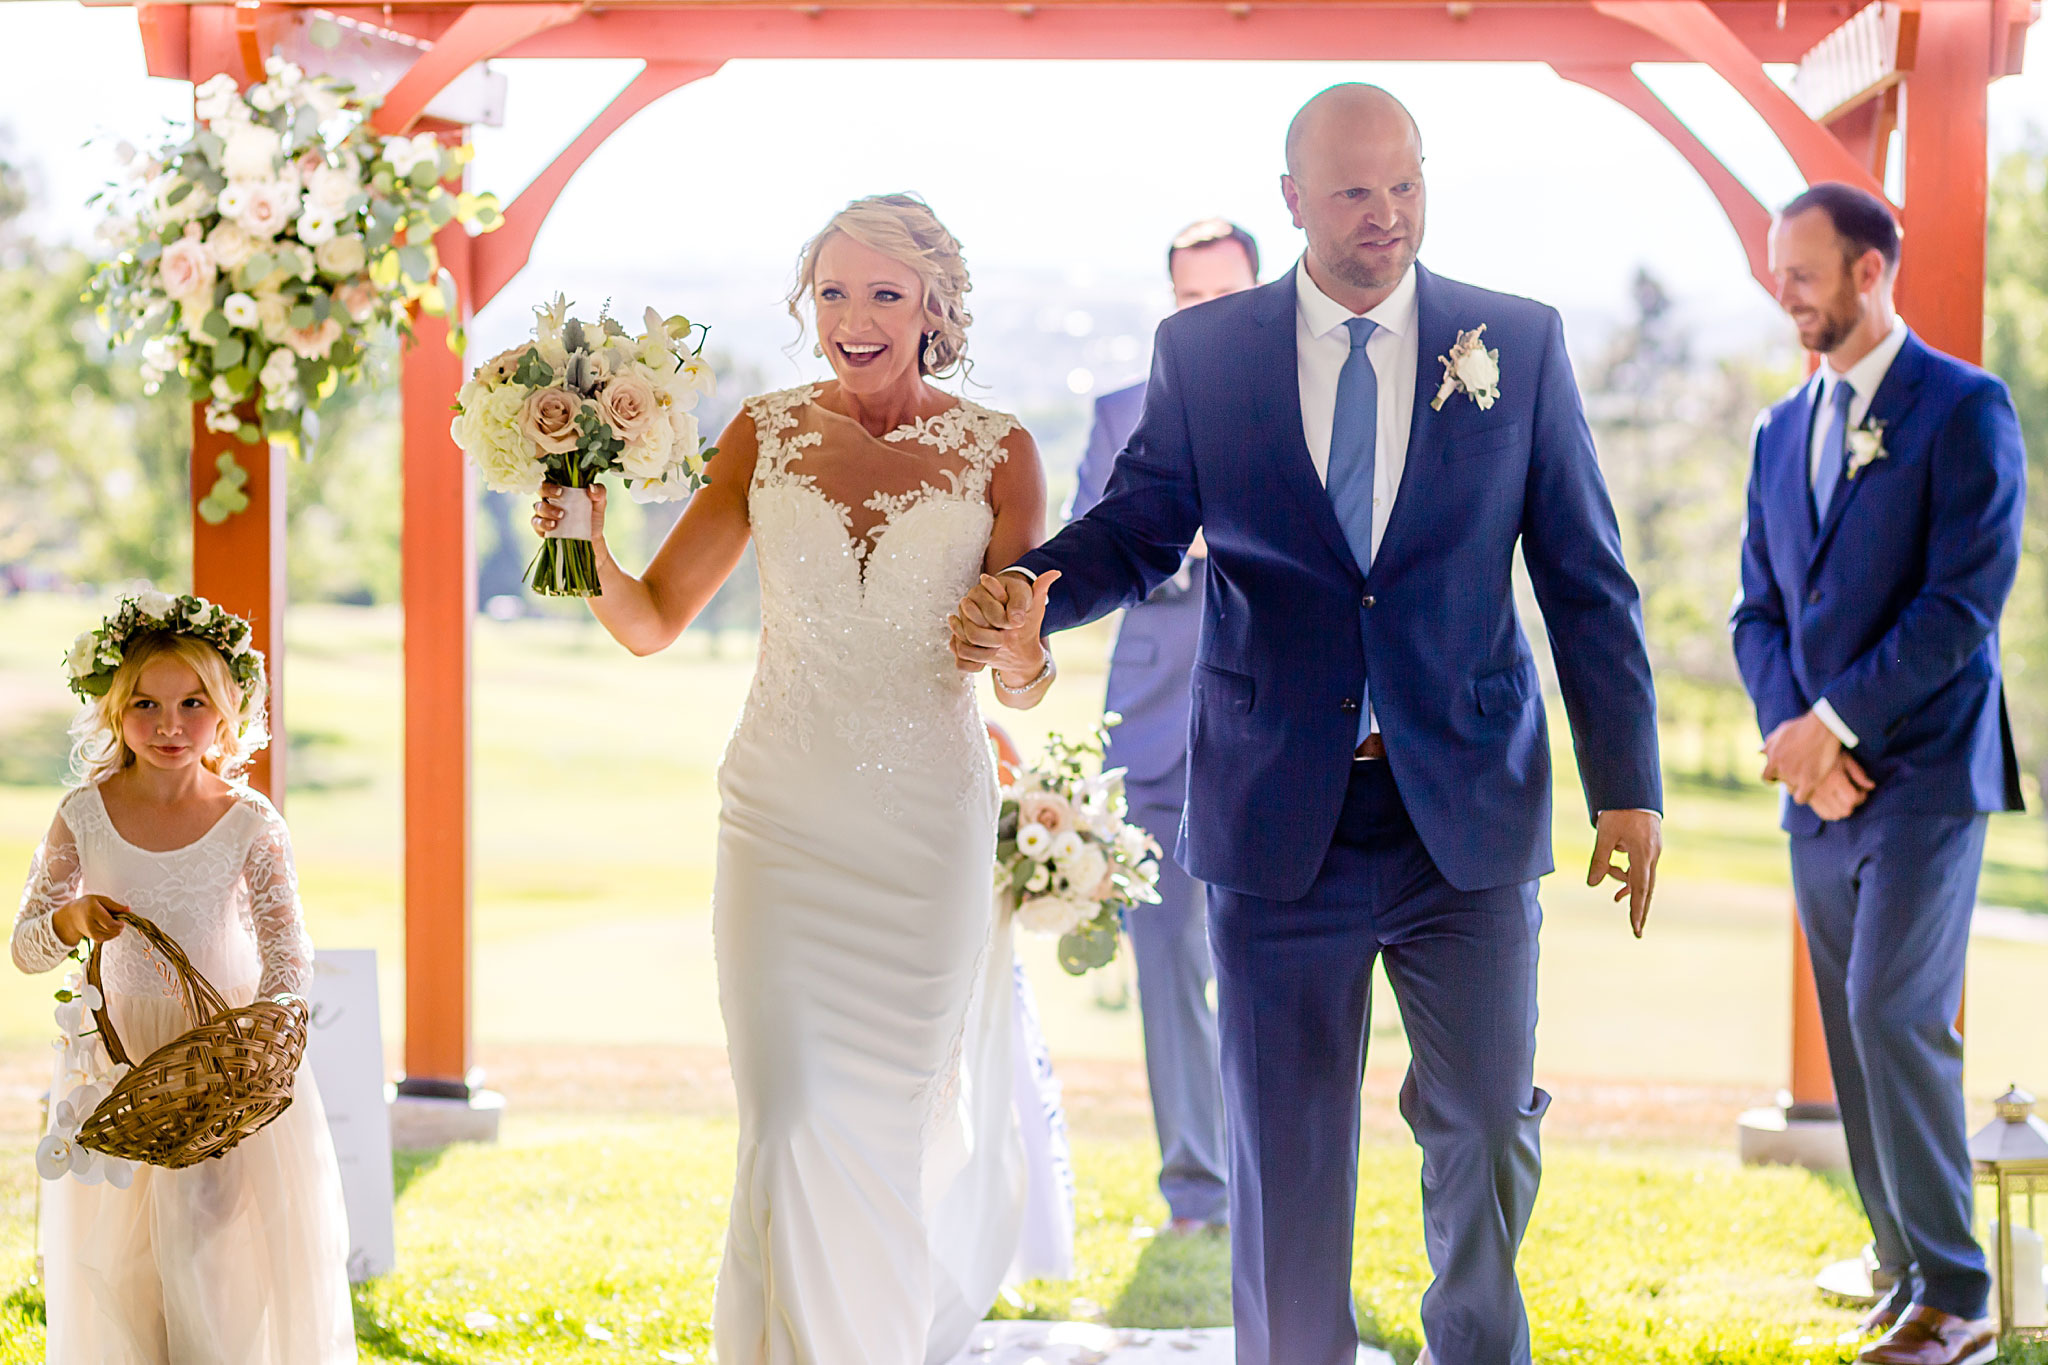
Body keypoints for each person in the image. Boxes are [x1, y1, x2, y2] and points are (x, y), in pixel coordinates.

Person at [950, 84, 1663, 1365]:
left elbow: (1583, 576)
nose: (1385, 217)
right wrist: (1030, 594)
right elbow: (1138, 524)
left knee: (1488, 1121)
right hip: (1281, 813)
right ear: (1291, 200)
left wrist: (1629, 786)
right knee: (1283, 1151)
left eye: (1406, 186)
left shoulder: (1519, 340)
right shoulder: (1206, 355)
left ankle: (1473, 1350)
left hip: (1467, 811)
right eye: (1352, 193)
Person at [532, 193, 1049, 1365]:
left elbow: (1020, 675)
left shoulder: (1001, 449)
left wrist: (1017, 648)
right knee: (792, 1115)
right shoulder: (761, 434)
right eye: (831, 292)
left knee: (877, 1133)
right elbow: (654, 619)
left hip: (925, 838)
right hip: (780, 822)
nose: (853, 318)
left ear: (933, 306)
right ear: (805, 303)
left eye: (882, 293)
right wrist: (589, 542)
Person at [1732, 181, 2023, 1365]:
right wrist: (1794, 739)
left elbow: (1963, 602)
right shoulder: (1773, 429)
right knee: (1855, 1036)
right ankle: (1899, 1269)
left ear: (1869, 271)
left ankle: (1958, 1296)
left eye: (1801, 270)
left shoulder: (1962, 408)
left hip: (1923, 774)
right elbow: (1755, 611)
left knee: (1893, 1015)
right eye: (1774, 270)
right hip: (1816, 786)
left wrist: (1837, 724)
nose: (1782, 291)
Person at [12, 593, 355, 1363]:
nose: (170, 725)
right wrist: (71, 920)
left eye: (193, 702)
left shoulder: (251, 821)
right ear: (113, 711)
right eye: (146, 704)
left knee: (206, 1254)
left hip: (220, 1062)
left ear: (228, 709)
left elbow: (287, 950)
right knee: (120, 1265)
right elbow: (27, 946)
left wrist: (264, 1034)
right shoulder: (84, 816)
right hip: (116, 1069)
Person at [1068, 216, 1261, 1235]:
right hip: (1149, 728)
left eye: (1224, 296)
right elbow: (1093, 558)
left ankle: (1270, 1172)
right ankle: (1196, 1191)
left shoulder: (1309, 401)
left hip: (1272, 727)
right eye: (1190, 300)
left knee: (1268, 965)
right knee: (1166, 963)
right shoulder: (1116, 416)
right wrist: (1168, 540)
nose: (1208, 315)